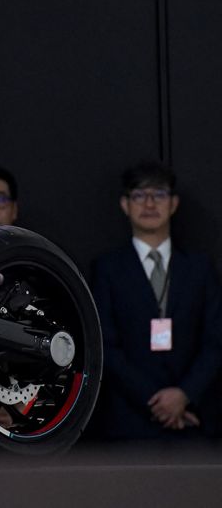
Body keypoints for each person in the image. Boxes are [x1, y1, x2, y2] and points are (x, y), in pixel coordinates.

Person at [89, 161, 222, 441]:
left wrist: (184, 395)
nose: (149, 204)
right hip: (128, 422)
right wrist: (157, 402)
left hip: (193, 419)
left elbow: (215, 341)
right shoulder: (107, 269)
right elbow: (105, 345)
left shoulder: (200, 267)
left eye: (159, 194)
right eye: (139, 195)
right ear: (125, 204)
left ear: (173, 203)